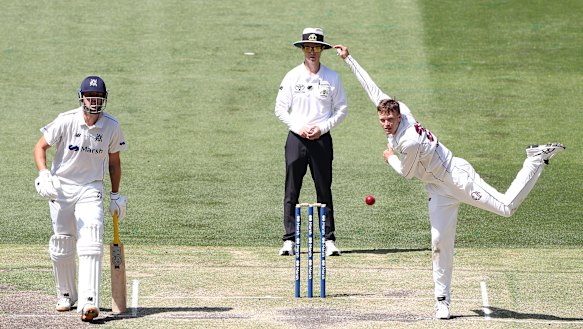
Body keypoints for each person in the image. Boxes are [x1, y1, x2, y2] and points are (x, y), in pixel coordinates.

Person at [334, 45, 565, 319]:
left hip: (457, 178)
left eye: (390, 120)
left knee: (506, 208)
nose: (385, 124)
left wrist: (389, 157)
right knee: (440, 243)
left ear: (400, 117)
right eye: (382, 119)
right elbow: (372, 88)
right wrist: (349, 59)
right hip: (437, 189)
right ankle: (442, 300)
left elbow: (407, 173)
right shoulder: (398, 109)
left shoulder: (409, 140)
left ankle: (534, 159)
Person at [33, 76, 128, 322]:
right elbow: (40, 147)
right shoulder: (66, 120)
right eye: (89, 97)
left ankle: (89, 300)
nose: (93, 103)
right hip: (62, 187)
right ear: (82, 98)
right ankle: (66, 294)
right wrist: (44, 174)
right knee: (63, 242)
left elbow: (114, 162)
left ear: (104, 100)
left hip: (91, 187)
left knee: (92, 236)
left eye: (98, 98)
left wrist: (115, 194)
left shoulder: (111, 126)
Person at [274, 28, 348, 256]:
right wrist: (298, 127)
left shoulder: (332, 78)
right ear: (303, 49)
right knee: (291, 189)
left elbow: (342, 109)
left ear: (322, 50)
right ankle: (289, 240)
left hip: (321, 140)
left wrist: (322, 128)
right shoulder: (292, 76)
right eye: (308, 47)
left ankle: (328, 240)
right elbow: (279, 109)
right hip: (296, 139)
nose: (312, 51)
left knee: (323, 189)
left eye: (316, 48)